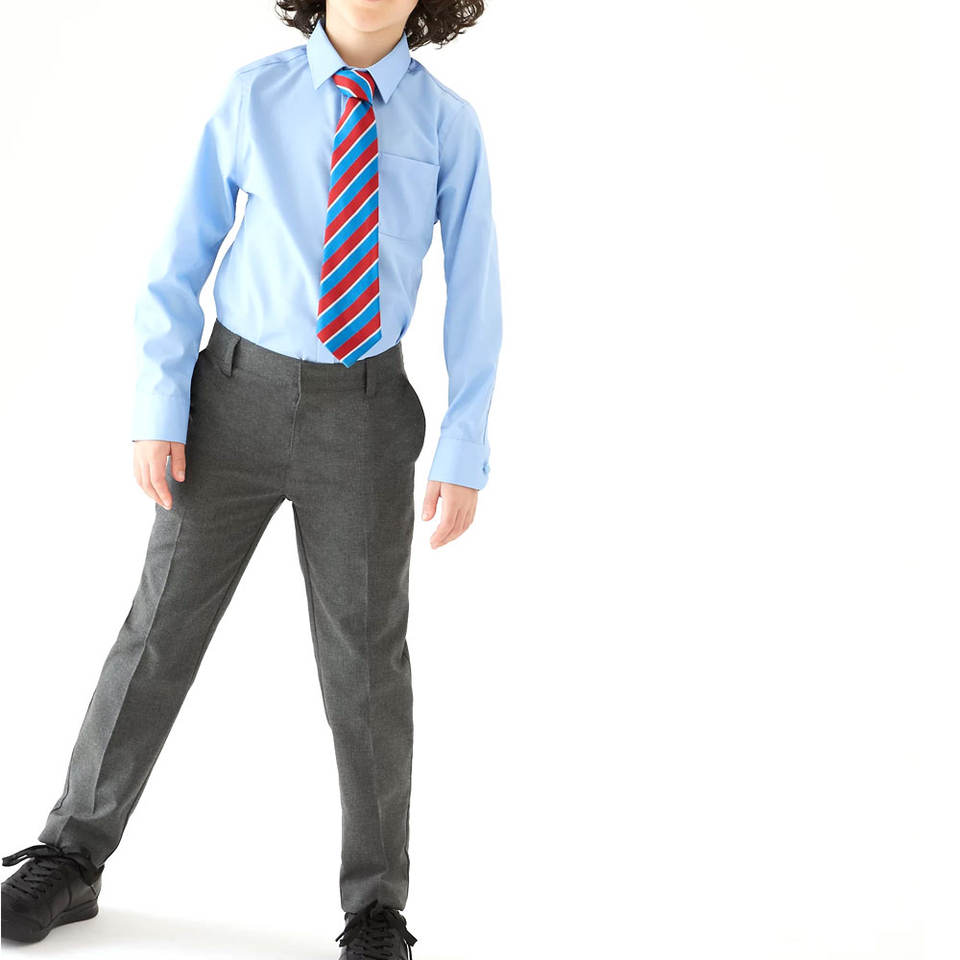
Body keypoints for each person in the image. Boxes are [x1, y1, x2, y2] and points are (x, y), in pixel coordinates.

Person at [1, 1, 502, 956]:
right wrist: (159, 402)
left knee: (366, 663)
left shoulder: (448, 125)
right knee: (160, 627)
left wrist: (463, 444)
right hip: (230, 400)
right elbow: (180, 255)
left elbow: (477, 292)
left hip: (364, 414)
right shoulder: (254, 96)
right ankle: (71, 854)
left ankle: (376, 908)